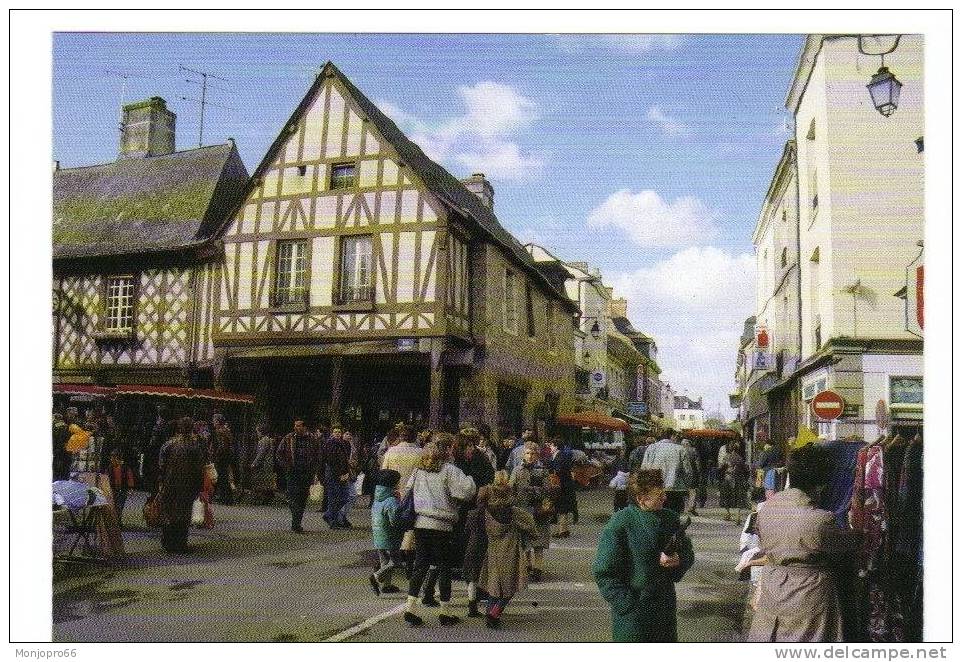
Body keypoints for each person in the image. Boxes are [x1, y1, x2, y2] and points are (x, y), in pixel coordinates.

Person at [748, 444, 861, 642]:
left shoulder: (767, 508)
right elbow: (846, 546)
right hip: (807, 596)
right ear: (822, 483)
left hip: (773, 587)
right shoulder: (820, 520)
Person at [593, 468, 695, 642]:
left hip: (664, 611)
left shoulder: (670, 518)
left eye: (663, 493)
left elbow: (687, 552)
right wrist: (627, 605)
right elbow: (604, 572)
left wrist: (679, 560)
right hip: (633, 617)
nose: (665, 498)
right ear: (641, 499)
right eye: (659, 495)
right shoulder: (621, 522)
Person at [401, 434, 477, 628]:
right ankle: (445, 611)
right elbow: (466, 491)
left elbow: (407, 492)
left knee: (420, 565)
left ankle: (410, 607)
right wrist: (470, 479)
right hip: (442, 525)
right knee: (444, 567)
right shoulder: (449, 470)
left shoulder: (418, 472)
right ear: (445, 454)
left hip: (420, 523)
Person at [464, 477, 539, 629]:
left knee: (494, 587)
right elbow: (531, 525)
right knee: (510, 587)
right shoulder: (514, 512)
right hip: (511, 553)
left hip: (492, 553)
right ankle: (495, 613)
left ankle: (489, 612)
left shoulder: (486, 513)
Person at [157, 417, 207, 553]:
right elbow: (199, 468)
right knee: (184, 514)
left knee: (169, 513)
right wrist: (199, 487)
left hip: (169, 484)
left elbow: (161, 465)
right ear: (191, 429)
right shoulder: (195, 446)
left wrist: (161, 482)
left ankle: (168, 542)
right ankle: (180, 544)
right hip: (188, 486)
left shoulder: (169, 444)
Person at [509, 442, 552, 582]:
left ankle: (538, 569)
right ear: (523, 454)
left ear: (537, 455)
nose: (530, 456)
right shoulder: (517, 470)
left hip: (539, 510)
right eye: (528, 453)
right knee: (525, 541)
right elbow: (511, 488)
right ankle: (527, 566)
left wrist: (534, 490)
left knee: (538, 541)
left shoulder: (543, 470)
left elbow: (548, 490)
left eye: (533, 453)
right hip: (522, 509)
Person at [275, 419, 320, 533]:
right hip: (292, 472)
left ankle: (297, 523)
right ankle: (296, 522)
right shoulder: (289, 438)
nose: (296, 427)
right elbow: (279, 453)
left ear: (305, 427)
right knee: (291, 496)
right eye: (295, 425)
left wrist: (314, 471)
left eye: (299, 426)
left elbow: (318, 455)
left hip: (306, 473)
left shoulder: (312, 439)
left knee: (302, 498)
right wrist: (286, 466)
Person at [641, 431, 694, 514]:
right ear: (671, 436)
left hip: (656, 486)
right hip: (676, 488)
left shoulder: (651, 448)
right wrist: (687, 484)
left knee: (656, 513)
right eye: (676, 436)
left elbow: (644, 468)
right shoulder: (680, 449)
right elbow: (687, 470)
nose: (677, 438)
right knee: (674, 514)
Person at [369, 469, 403, 595]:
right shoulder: (391, 501)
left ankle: (386, 586)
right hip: (390, 536)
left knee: (384, 561)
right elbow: (395, 520)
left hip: (378, 534)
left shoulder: (378, 498)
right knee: (395, 562)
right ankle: (376, 576)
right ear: (393, 484)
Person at [322, 427, 352, 529]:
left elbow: (344, 461)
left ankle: (328, 515)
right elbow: (331, 461)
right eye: (335, 432)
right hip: (333, 475)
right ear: (332, 433)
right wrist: (340, 473)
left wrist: (346, 472)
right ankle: (332, 521)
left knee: (344, 497)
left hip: (342, 474)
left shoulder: (343, 443)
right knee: (333, 498)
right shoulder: (330, 443)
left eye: (339, 432)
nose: (338, 433)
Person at [546, 438, 577, 537]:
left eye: (551, 445)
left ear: (556, 446)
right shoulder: (558, 455)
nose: (550, 447)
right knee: (562, 507)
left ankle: (562, 531)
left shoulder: (560, 456)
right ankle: (564, 529)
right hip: (564, 485)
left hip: (562, 486)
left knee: (562, 507)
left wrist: (552, 474)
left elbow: (558, 470)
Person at [719, 441, 750, 521]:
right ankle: (738, 515)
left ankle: (728, 514)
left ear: (729, 449)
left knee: (726, 497)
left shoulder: (726, 457)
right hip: (738, 479)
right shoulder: (740, 458)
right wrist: (745, 479)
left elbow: (721, 469)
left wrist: (720, 477)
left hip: (728, 479)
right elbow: (746, 471)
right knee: (739, 498)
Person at [107, 448, 136, 526]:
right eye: (111, 458)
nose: (111, 460)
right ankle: (115, 521)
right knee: (114, 506)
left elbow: (130, 477)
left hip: (123, 489)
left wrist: (130, 488)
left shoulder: (125, 467)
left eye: (113, 458)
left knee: (120, 506)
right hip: (113, 489)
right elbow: (107, 478)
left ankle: (117, 522)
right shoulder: (110, 468)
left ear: (117, 458)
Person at [249, 424, 277, 505]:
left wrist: (254, 463)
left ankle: (265, 498)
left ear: (261, 432)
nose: (257, 433)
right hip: (268, 463)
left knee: (262, 481)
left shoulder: (264, 441)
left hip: (265, 464)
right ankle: (268, 496)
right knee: (267, 481)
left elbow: (261, 454)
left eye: (257, 431)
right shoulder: (269, 440)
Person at [211, 414, 235, 505]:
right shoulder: (227, 430)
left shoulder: (220, 431)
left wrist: (216, 455)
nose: (213, 422)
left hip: (221, 457)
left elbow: (222, 445)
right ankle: (226, 497)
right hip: (227, 456)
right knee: (223, 476)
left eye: (214, 420)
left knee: (221, 477)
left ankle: (225, 498)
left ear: (217, 422)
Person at [681, 439, 702, 515]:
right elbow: (697, 464)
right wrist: (699, 473)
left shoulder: (680, 450)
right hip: (692, 474)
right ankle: (691, 507)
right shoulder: (694, 450)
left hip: (682, 475)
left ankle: (682, 508)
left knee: (682, 491)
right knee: (692, 491)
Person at [53, 410, 72, 480]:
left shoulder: (53, 426)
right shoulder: (66, 426)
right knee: (65, 471)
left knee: (56, 472)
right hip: (65, 453)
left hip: (57, 452)